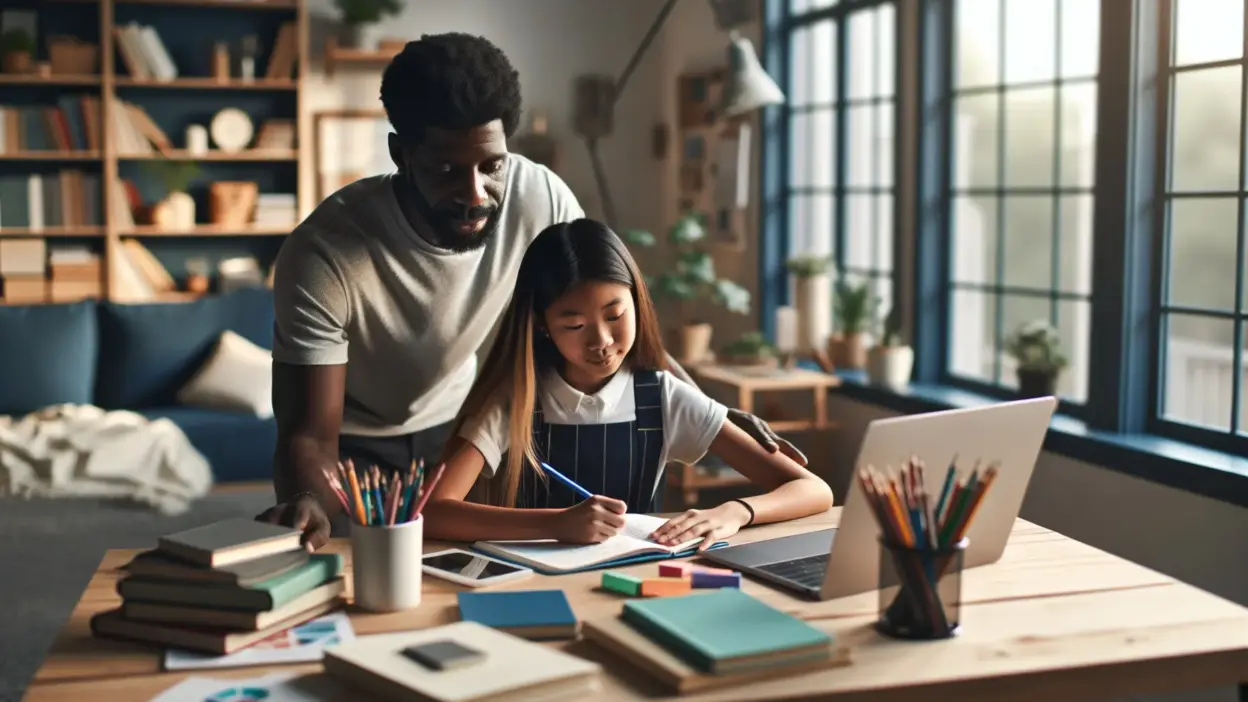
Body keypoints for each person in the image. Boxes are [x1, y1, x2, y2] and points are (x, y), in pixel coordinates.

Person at [256, 32, 807, 551]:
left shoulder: (538, 195)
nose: (476, 194)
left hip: (460, 425)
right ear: (401, 154)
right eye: (447, 169)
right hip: (355, 448)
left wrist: (713, 411)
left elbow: (611, 317)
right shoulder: (323, 253)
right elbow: (308, 433)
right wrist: (308, 498)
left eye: (491, 165)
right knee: (361, 579)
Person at [421, 219, 834, 549]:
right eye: (574, 324)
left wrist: (734, 511)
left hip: (640, 582)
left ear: (637, 302)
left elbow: (812, 489)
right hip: (534, 586)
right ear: (541, 326)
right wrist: (557, 524)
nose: (600, 341)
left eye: (615, 316)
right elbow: (433, 511)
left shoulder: (663, 396)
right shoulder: (519, 399)